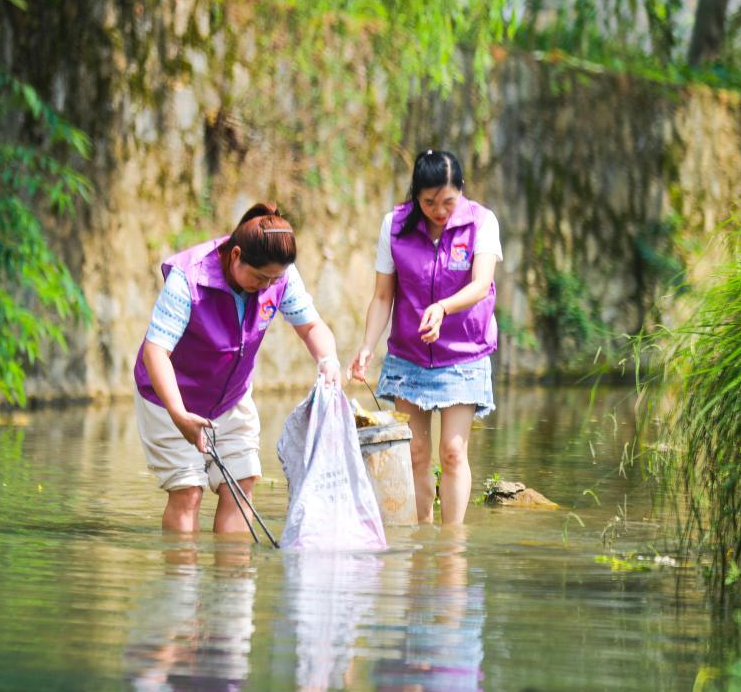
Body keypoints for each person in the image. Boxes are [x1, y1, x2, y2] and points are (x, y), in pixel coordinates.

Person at [134, 202, 341, 533]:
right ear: (236, 255)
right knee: (188, 492)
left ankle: (234, 582)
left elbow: (312, 327)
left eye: (274, 279)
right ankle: (181, 581)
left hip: (231, 398)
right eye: (260, 277)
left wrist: (328, 361)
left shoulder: (279, 278)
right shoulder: (189, 279)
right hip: (170, 398)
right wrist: (178, 414)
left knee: (241, 487)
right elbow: (155, 352)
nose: (267, 285)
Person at [348, 150, 502, 525]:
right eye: (429, 201)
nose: (440, 210)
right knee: (415, 451)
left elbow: (481, 285)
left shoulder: (481, 222)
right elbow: (383, 296)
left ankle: (451, 547)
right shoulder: (395, 226)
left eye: (449, 201)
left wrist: (443, 308)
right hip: (410, 355)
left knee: (451, 451)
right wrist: (368, 345)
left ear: (461, 191)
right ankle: (421, 539)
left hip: (464, 353)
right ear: (415, 195)